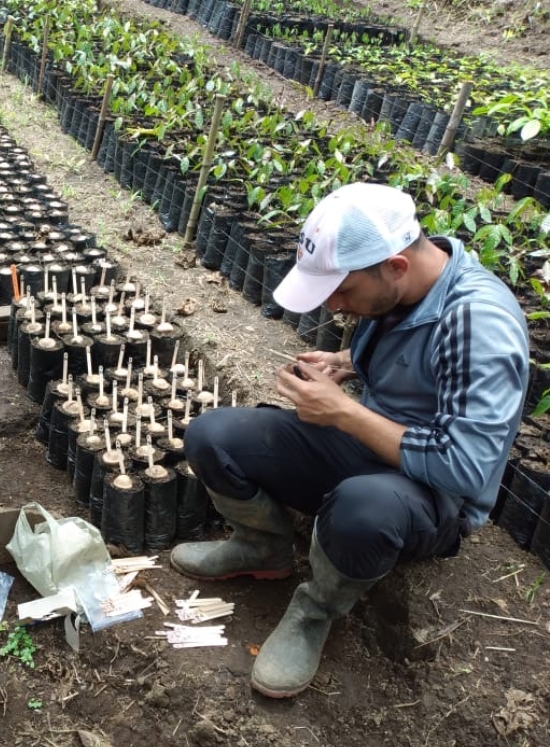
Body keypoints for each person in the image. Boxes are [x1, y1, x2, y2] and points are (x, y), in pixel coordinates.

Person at [170, 182, 529, 699]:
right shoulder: (400, 291)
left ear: (396, 266)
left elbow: (465, 468)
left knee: (363, 508)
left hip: (431, 495)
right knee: (213, 436)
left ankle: (315, 609)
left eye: (344, 291)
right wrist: (345, 364)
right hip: (372, 446)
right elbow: (409, 364)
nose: (335, 306)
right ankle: (262, 547)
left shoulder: (478, 323)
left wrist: (345, 415)